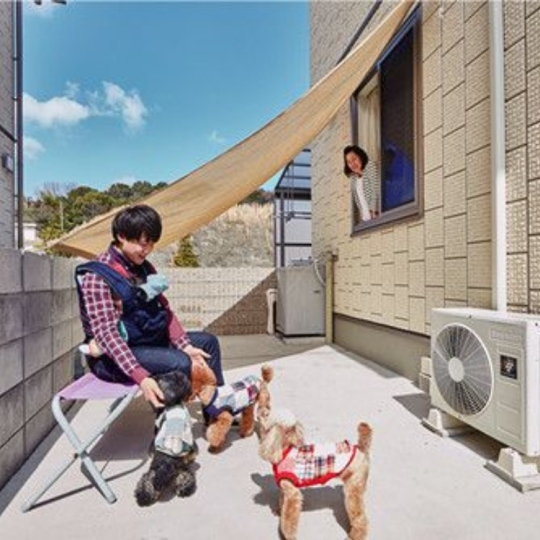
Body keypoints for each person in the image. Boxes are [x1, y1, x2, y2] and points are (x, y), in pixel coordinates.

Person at [75, 204, 225, 409]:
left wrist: (186, 346)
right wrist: (141, 377)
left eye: (152, 243)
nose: (147, 250)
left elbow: (165, 310)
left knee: (208, 343)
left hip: (149, 342)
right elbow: (107, 335)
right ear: (121, 236)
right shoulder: (98, 276)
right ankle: (169, 424)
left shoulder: (144, 268)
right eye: (143, 243)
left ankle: (217, 409)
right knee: (180, 362)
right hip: (113, 357)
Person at [343, 145, 379, 222]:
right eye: (349, 162)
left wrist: (373, 210)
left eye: (354, 159)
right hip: (366, 219)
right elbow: (358, 199)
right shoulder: (354, 178)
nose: (352, 164)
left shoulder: (369, 166)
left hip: (375, 216)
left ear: (360, 156)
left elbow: (375, 188)